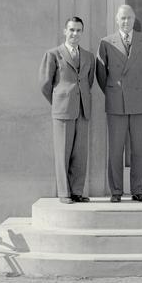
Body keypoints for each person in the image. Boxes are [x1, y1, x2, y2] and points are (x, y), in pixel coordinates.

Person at [95, 3, 142, 203]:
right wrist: (114, 92)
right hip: (116, 103)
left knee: (139, 149)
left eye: (129, 18)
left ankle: (138, 191)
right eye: (122, 18)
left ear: (134, 19)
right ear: (116, 20)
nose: (126, 22)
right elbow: (101, 74)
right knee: (116, 149)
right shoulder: (106, 43)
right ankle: (116, 192)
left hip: (140, 102)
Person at [37, 16, 96, 204]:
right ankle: (64, 193)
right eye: (71, 30)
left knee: (80, 153)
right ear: (65, 31)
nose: (75, 34)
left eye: (78, 30)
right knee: (63, 152)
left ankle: (77, 191)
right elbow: (45, 84)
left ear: (82, 32)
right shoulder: (54, 54)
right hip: (63, 110)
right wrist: (58, 101)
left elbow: (89, 81)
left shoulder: (88, 56)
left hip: (82, 109)